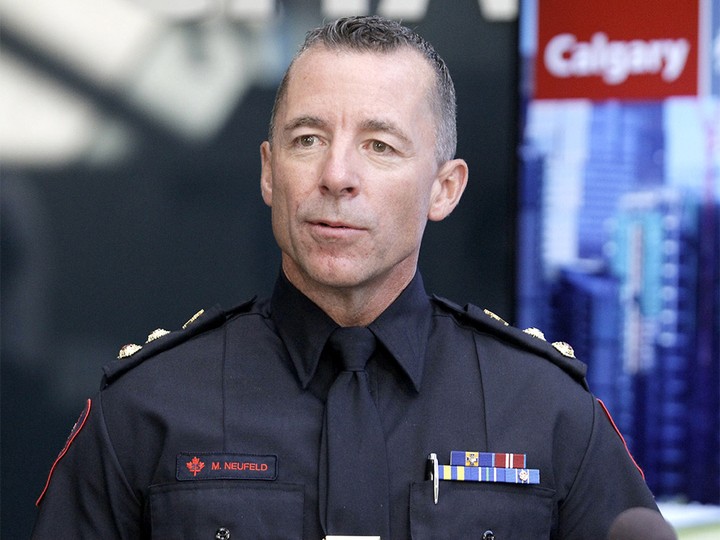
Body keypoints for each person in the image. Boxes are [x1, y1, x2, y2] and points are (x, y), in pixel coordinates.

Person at [32, 15, 665, 539]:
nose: (336, 175)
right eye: (307, 140)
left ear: (444, 188)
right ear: (268, 172)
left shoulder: (546, 411)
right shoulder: (146, 410)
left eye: (380, 146)